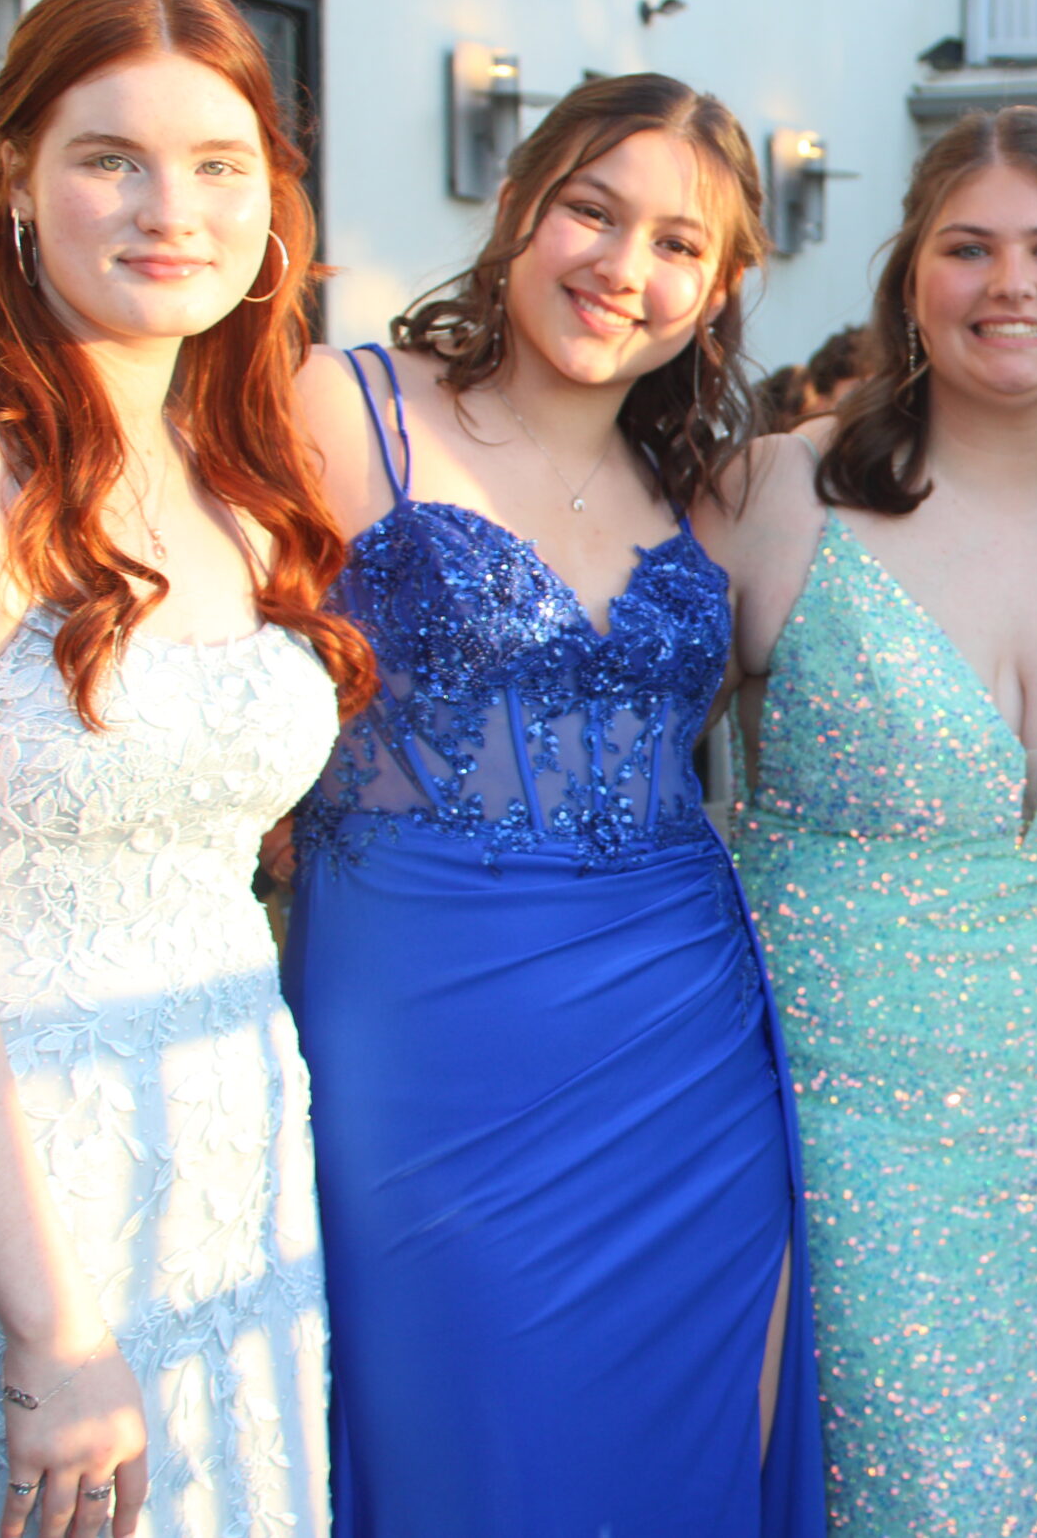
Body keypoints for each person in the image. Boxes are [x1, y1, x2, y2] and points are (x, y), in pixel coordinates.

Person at [282, 74, 823, 1535]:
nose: (623, 266)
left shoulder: (705, 488)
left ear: (717, 291)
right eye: (592, 210)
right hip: (422, 1029)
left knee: (684, 1448)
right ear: (519, 205)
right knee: (459, 1431)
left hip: (684, 1043)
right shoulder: (343, 407)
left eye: (678, 244)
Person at [696, 105, 1037, 1535]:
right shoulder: (777, 494)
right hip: (853, 1108)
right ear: (909, 278)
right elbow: (626, 765)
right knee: (903, 1469)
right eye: (969, 246)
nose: (1013, 284)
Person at [0, 0, 376, 1537]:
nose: (171, 211)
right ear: (17, 177)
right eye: (111, 158)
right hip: (31, 1189)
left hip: (231, 1151)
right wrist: (48, 1319)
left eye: (217, 164)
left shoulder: (247, 472)